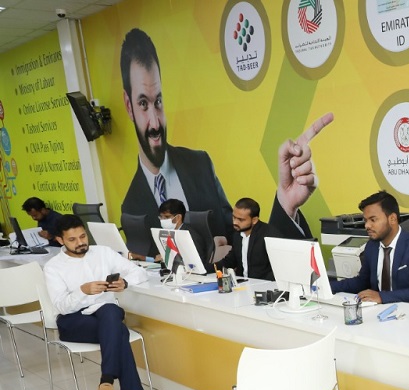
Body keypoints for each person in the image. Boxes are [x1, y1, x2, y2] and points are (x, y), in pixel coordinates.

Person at [119, 28, 327, 242]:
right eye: (143, 104)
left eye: (158, 101)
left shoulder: (200, 164)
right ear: (128, 105)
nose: (155, 123)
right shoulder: (131, 207)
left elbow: (239, 236)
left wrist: (286, 205)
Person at [44, 214, 155, 390]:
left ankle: (107, 381)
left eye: (82, 236)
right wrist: (83, 291)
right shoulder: (53, 267)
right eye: (72, 239)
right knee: (118, 330)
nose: (80, 243)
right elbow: (61, 306)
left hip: (106, 316)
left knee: (110, 312)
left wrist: (125, 283)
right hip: (73, 321)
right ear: (60, 240)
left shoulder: (103, 253)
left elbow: (139, 272)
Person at [329, 190, 409, 306]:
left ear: (392, 219)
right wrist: (326, 286)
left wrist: (381, 297)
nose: (367, 226)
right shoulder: (372, 246)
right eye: (365, 220)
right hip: (382, 311)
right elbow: (362, 282)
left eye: (373, 220)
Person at [217, 198, 274, 280]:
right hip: (243, 284)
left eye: (240, 220)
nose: (235, 222)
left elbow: (278, 268)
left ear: (254, 220)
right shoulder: (237, 234)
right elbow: (231, 261)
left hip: (264, 284)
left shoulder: (270, 235)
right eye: (234, 217)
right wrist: (206, 268)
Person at [157, 198, 212, 270]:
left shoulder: (190, 236)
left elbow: (197, 264)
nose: (163, 220)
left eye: (167, 217)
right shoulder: (168, 234)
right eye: (161, 217)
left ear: (178, 217)